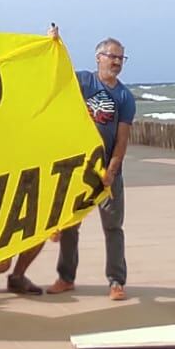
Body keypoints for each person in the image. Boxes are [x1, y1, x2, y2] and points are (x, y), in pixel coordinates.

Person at [49, 29, 135, 301]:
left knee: (113, 227)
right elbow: (56, 73)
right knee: (70, 226)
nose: (117, 62)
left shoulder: (125, 97)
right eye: (113, 57)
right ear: (99, 58)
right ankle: (66, 277)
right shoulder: (84, 81)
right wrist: (53, 43)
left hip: (108, 173)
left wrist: (112, 170)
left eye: (122, 58)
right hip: (79, 170)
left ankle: (116, 281)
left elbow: (121, 139)